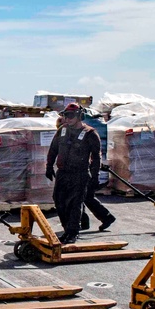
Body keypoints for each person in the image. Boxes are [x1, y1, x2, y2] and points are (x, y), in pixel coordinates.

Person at [46, 103, 105, 244]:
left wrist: (95, 176)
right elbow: (53, 149)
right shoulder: (62, 130)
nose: (68, 119)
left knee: (75, 204)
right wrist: (49, 166)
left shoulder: (90, 134)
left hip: (79, 174)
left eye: (71, 116)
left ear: (79, 116)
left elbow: (96, 157)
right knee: (59, 201)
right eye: (66, 116)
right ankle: (67, 229)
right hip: (63, 173)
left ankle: (72, 232)